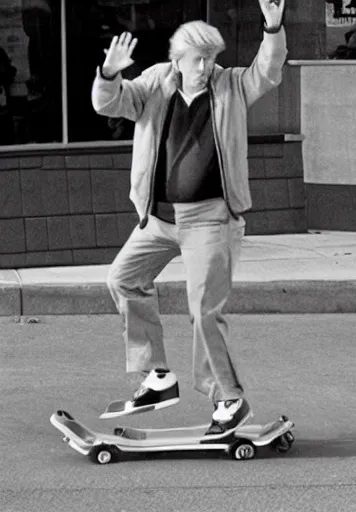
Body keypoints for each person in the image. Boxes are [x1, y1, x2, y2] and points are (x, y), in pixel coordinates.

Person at [91, 0, 287, 439]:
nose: (206, 66)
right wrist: (109, 73)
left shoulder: (231, 86)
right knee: (123, 279)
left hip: (211, 221)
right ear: (177, 58)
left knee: (203, 310)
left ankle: (228, 398)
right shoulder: (154, 84)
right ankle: (157, 376)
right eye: (199, 58)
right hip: (158, 220)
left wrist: (272, 28)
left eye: (212, 58)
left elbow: (267, 72)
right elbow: (110, 104)